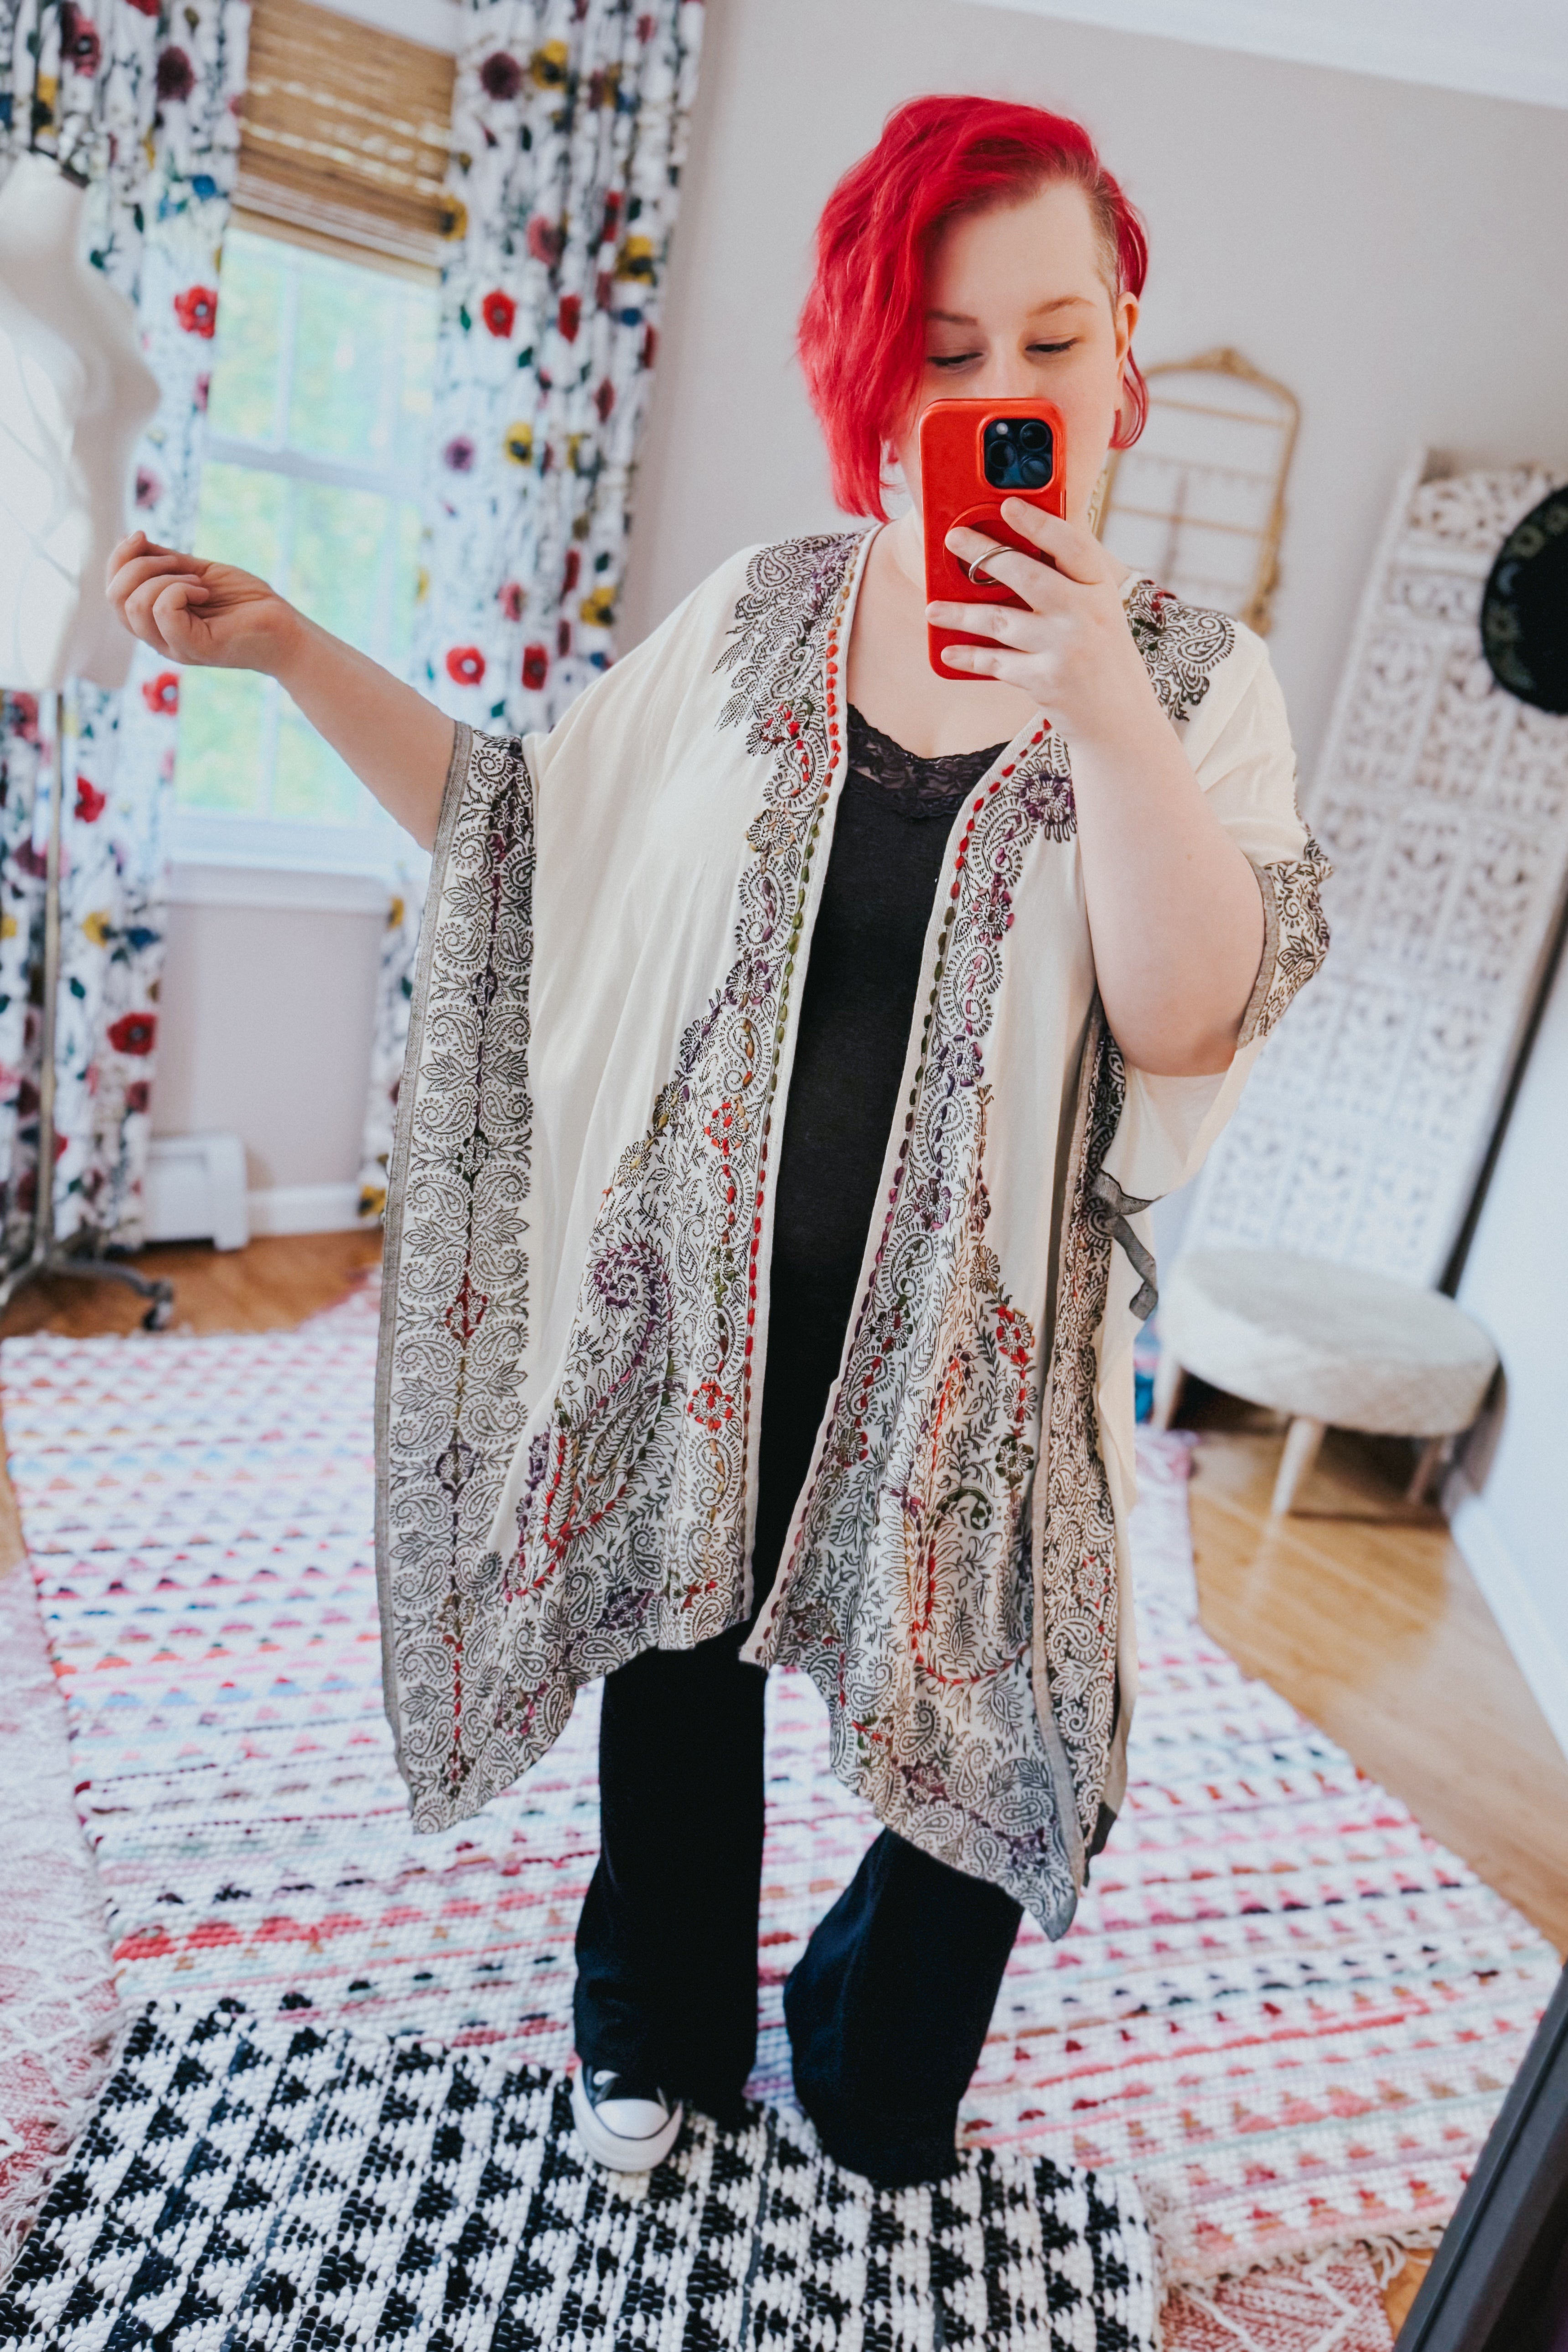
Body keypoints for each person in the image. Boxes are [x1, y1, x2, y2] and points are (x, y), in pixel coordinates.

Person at [109, 95, 1328, 2190]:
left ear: (1124, 349)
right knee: (676, 1662)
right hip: (700, 1297)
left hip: (981, 1357)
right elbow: (525, 834)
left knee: (994, 1746)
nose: (1006, 393)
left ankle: (853, 2044)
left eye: (1051, 340)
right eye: (945, 354)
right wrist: (292, 653)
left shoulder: (1200, 688)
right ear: (877, 377)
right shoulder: (766, 612)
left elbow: (1188, 1002)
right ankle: (654, 2025)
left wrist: (1096, 702)